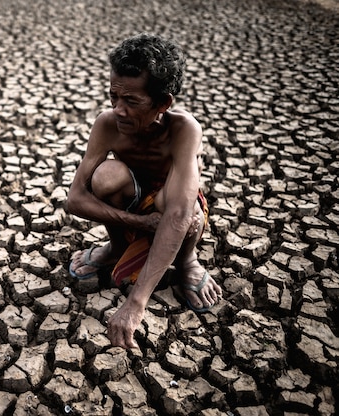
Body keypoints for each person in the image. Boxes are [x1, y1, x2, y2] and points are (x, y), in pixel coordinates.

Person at [66, 33, 223, 350]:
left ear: (163, 103)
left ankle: (188, 261)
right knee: (106, 176)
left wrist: (136, 304)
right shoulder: (107, 123)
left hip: (171, 208)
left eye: (131, 101)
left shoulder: (183, 130)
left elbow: (178, 213)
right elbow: (75, 199)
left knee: (187, 209)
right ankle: (114, 247)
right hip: (136, 209)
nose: (118, 109)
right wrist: (138, 223)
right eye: (113, 96)